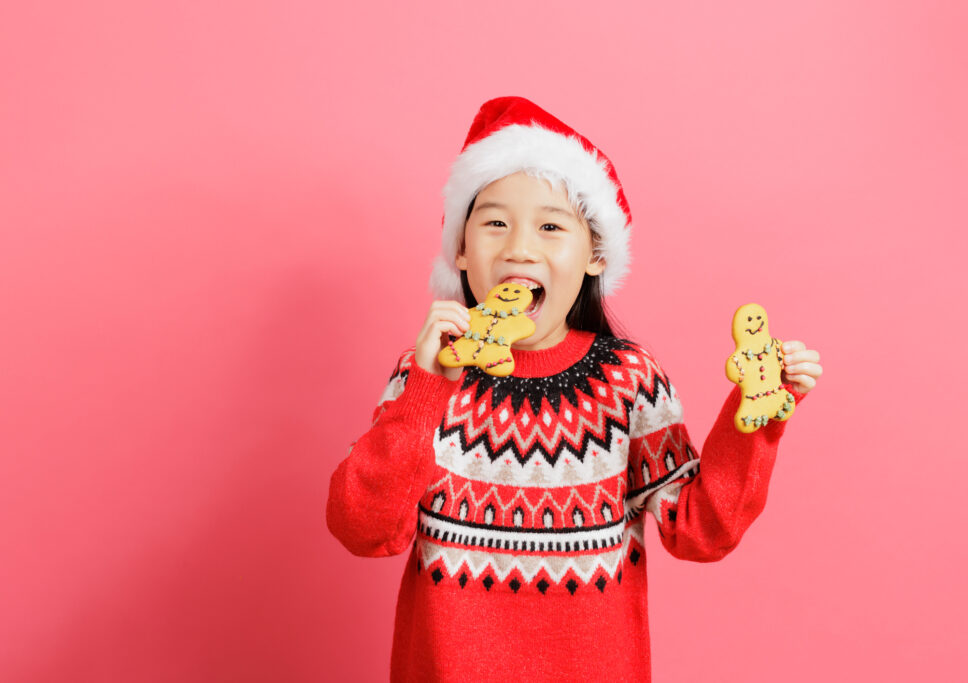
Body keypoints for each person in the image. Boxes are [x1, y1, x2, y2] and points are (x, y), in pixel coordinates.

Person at [326, 96, 823, 682]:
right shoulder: (427, 374)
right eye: (493, 222)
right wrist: (424, 393)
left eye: (550, 226)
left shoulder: (628, 381)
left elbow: (701, 530)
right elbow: (362, 528)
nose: (518, 247)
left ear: (594, 254)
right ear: (460, 249)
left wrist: (759, 413)